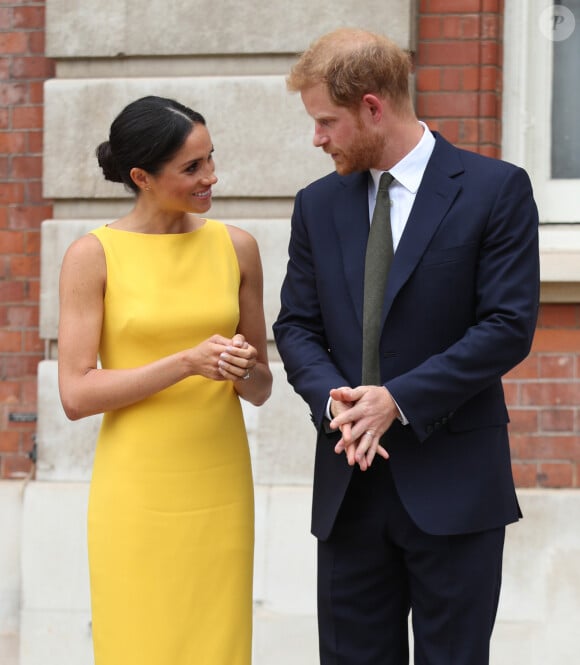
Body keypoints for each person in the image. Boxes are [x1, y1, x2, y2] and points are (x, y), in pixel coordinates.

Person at [273, 29, 539, 665]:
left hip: (454, 486)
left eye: (325, 121)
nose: (318, 138)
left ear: (372, 107)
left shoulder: (494, 189)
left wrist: (397, 400)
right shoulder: (316, 205)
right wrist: (335, 402)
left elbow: (507, 325)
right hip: (349, 489)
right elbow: (296, 326)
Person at [58, 95, 272, 665]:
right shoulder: (92, 255)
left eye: (210, 159)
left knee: (217, 644)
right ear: (140, 177)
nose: (211, 176)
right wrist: (184, 363)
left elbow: (261, 388)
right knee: (138, 641)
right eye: (192, 167)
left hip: (219, 488)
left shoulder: (237, 248)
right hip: (136, 490)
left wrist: (241, 368)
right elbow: (76, 395)